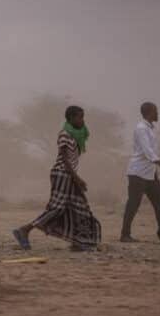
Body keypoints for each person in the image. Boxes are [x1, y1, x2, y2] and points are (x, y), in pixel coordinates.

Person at [12, 106, 102, 251]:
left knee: (80, 207)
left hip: (70, 175)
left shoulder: (76, 136)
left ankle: (79, 240)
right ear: (71, 118)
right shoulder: (65, 134)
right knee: (57, 208)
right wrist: (77, 178)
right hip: (62, 174)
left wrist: (76, 178)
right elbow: (65, 160)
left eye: (82, 117)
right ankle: (24, 230)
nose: (82, 120)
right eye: (80, 117)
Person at [120, 102, 160, 243]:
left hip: (150, 173)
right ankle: (125, 234)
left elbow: (151, 151)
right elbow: (147, 151)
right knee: (133, 203)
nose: (158, 114)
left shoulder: (149, 128)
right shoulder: (141, 129)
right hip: (138, 173)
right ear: (150, 112)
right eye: (156, 111)